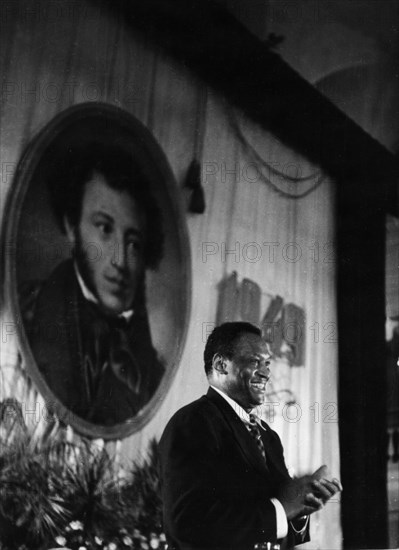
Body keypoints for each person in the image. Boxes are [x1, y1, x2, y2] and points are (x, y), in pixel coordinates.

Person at [159, 322, 342, 550]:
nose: (266, 373)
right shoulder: (193, 422)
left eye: (267, 363)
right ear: (221, 364)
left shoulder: (268, 436)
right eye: (255, 362)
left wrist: (303, 504)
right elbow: (186, 523)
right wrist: (283, 508)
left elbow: (281, 523)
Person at [22, 144, 165, 425]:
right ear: (72, 227)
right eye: (104, 228)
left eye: (134, 243)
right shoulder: (27, 316)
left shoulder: (151, 367)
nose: (120, 260)